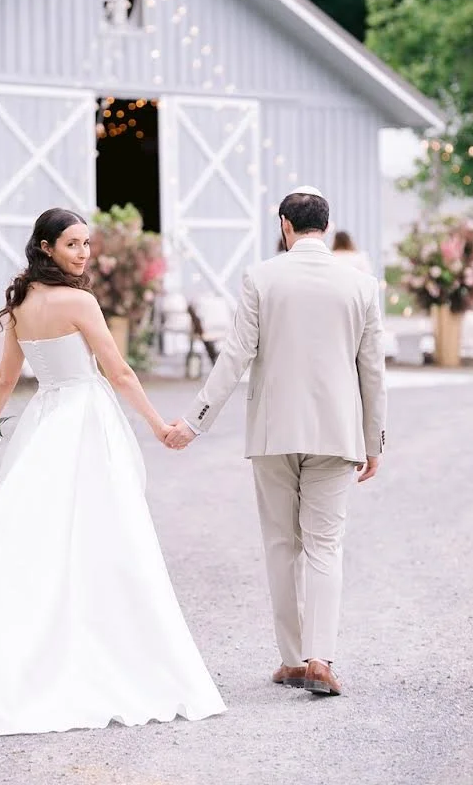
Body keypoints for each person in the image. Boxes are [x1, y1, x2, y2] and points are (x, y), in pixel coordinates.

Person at [0, 208, 225, 736]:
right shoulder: (79, 301)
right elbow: (116, 371)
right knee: (103, 533)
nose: (83, 253)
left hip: (48, 421)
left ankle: (40, 647)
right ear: (46, 247)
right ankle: (95, 650)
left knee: (35, 533)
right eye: (72, 244)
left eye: (87, 244)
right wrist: (157, 425)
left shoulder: (20, 305)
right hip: (84, 420)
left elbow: (7, 378)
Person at [166, 186, 386, 697]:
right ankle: (319, 658)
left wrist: (195, 421)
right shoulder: (361, 285)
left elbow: (236, 356)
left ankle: (291, 660)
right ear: (325, 228)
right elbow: (371, 370)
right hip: (337, 432)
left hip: (273, 432)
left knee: (281, 544)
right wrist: (374, 440)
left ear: (285, 225)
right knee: (325, 545)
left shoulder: (260, 277)